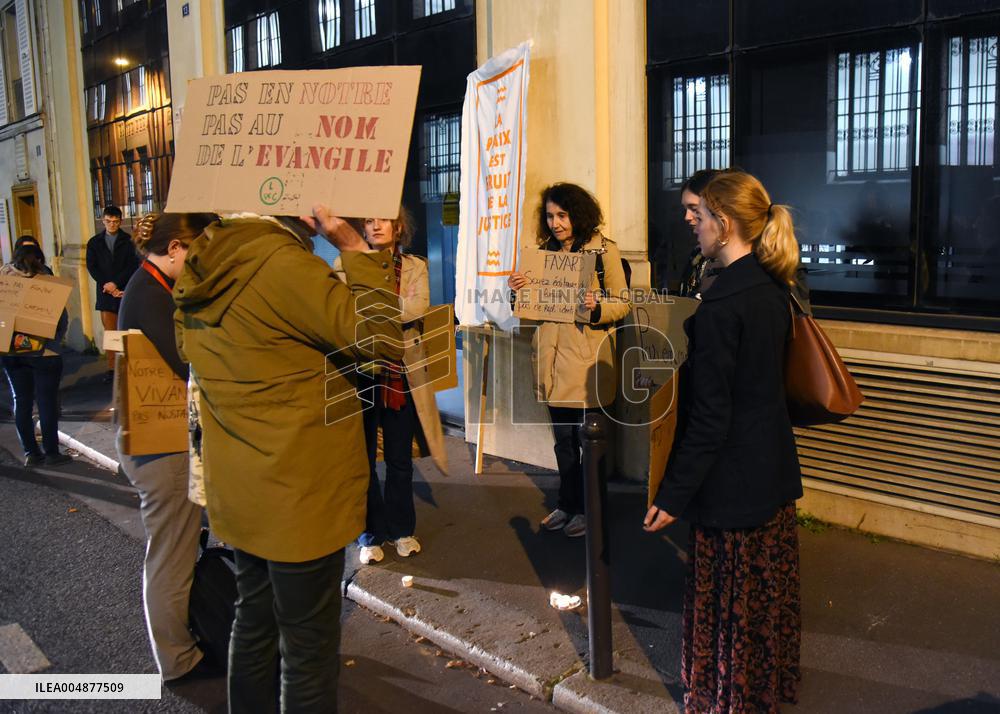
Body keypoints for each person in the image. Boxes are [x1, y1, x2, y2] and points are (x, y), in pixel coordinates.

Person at [173, 207, 403, 713]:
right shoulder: (284, 265)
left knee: (254, 620)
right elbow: (383, 340)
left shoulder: (208, 262)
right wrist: (356, 250)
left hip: (244, 489)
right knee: (308, 646)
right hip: (298, 492)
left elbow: (193, 348)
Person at [644, 170, 804, 713]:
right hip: (772, 473)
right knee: (765, 602)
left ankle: (727, 700)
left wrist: (672, 495)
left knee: (731, 604)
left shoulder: (720, 309)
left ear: (725, 223)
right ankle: (765, 692)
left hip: (732, 491)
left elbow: (710, 420)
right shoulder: (773, 287)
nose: (692, 222)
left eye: (701, 215)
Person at [115, 212, 217, 683]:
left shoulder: (147, 285)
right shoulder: (151, 295)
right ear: (175, 248)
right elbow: (186, 363)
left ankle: (181, 642)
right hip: (161, 448)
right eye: (193, 253)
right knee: (171, 556)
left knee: (174, 549)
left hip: (160, 445)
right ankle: (177, 658)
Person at [508, 183, 630, 538]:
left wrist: (596, 307)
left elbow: (622, 302)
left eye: (562, 215)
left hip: (585, 361)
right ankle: (567, 504)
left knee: (588, 442)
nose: (556, 223)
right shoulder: (542, 253)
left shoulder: (605, 251)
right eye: (550, 216)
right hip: (550, 361)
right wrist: (516, 291)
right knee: (563, 442)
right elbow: (528, 309)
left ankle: (590, 511)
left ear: (578, 213)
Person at [337, 208, 449, 565]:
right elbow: (345, 314)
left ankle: (402, 529)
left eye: (382, 219)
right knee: (362, 459)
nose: (374, 224)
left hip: (402, 374)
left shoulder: (416, 266)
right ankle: (369, 533)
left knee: (400, 460)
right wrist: (387, 310)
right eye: (368, 219)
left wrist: (373, 310)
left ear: (398, 226)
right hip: (361, 371)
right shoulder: (346, 266)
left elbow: (418, 307)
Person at [1, 240, 71, 467]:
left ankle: (31, 453)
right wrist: (55, 340)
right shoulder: (47, 281)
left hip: (11, 352)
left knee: (21, 401)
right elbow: (61, 319)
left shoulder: (4, 279)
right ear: (39, 259)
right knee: (46, 402)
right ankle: (51, 453)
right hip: (45, 353)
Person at [86, 205, 139, 381]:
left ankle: (128, 365)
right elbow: (92, 267)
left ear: (120, 221)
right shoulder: (94, 242)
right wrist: (107, 285)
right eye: (108, 221)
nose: (112, 225)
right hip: (105, 292)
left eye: (115, 222)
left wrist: (116, 284)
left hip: (123, 291)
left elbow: (132, 265)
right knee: (110, 332)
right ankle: (112, 369)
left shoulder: (128, 241)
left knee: (126, 330)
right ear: (103, 221)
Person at [677, 169, 722, 298]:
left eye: (694, 209)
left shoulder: (736, 262)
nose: (687, 216)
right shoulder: (697, 254)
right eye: (685, 209)